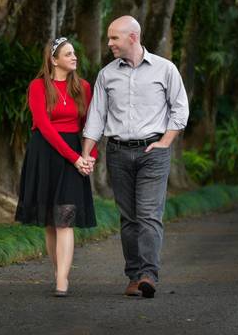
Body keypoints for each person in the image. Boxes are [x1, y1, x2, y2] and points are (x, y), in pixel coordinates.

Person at [81, 15, 189, 298]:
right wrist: (86, 154)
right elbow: (96, 116)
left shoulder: (165, 69)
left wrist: (165, 142)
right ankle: (133, 275)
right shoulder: (106, 74)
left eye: (114, 38)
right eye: (108, 38)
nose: (109, 43)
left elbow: (180, 109)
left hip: (153, 152)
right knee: (128, 218)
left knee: (150, 214)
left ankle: (148, 275)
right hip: (117, 152)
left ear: (133, 37)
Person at [15, 37, 97, 297]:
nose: (75, 58)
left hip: (74, 153)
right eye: (69, 54)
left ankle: (63, 279)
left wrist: (89, 155)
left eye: (75, 53)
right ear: (53, 59)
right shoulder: (38, 86)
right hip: (46, 153)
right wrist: (74, 157)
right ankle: (58, 271)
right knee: (51, 221)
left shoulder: (83, 87)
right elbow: (44, 126)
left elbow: (91, 125)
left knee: (65, 218)